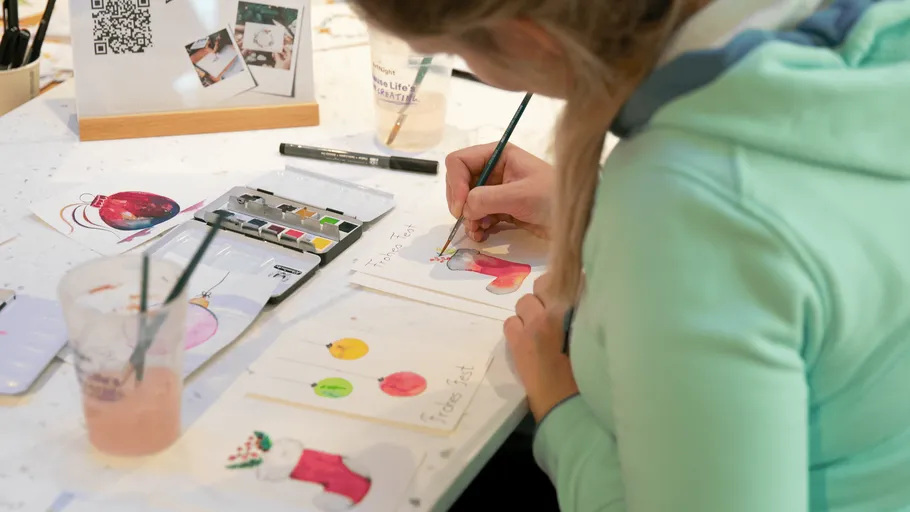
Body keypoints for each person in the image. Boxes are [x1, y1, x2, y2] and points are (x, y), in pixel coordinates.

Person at [350, 0, 910, 511]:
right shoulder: (869, 35)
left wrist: (556, 400)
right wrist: (592, 206)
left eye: (452, 51)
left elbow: (728, 238)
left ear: (533, 36)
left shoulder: (687, 214)